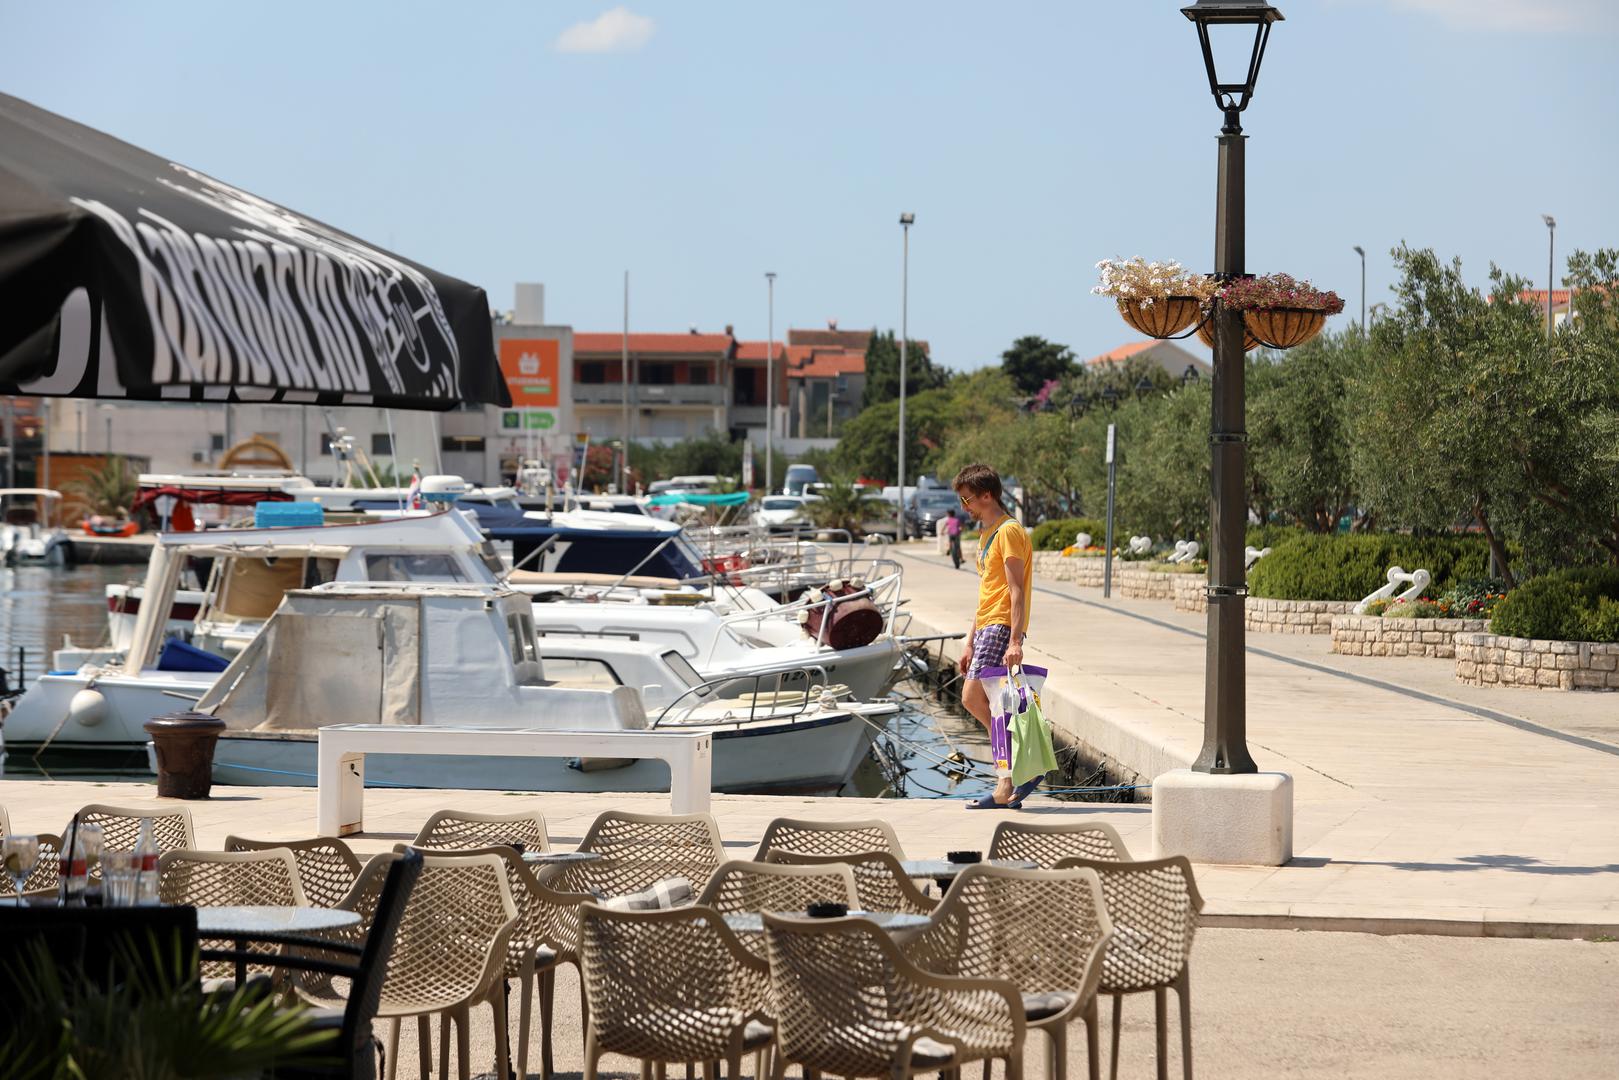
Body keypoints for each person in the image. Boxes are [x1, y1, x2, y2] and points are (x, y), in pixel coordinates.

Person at [953, 463, 1039, 809]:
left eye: (968, 500)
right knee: (977, 700)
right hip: (986, 626)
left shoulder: (1008, 532)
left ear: (987, 495)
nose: (965, 508)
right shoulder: (987, 534)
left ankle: (1010, 777)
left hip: (1002, 625)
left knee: (975, 698)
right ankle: (1016, 771)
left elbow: (1015, 591)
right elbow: (986, 590)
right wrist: (969, 640)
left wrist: (1015, 640)